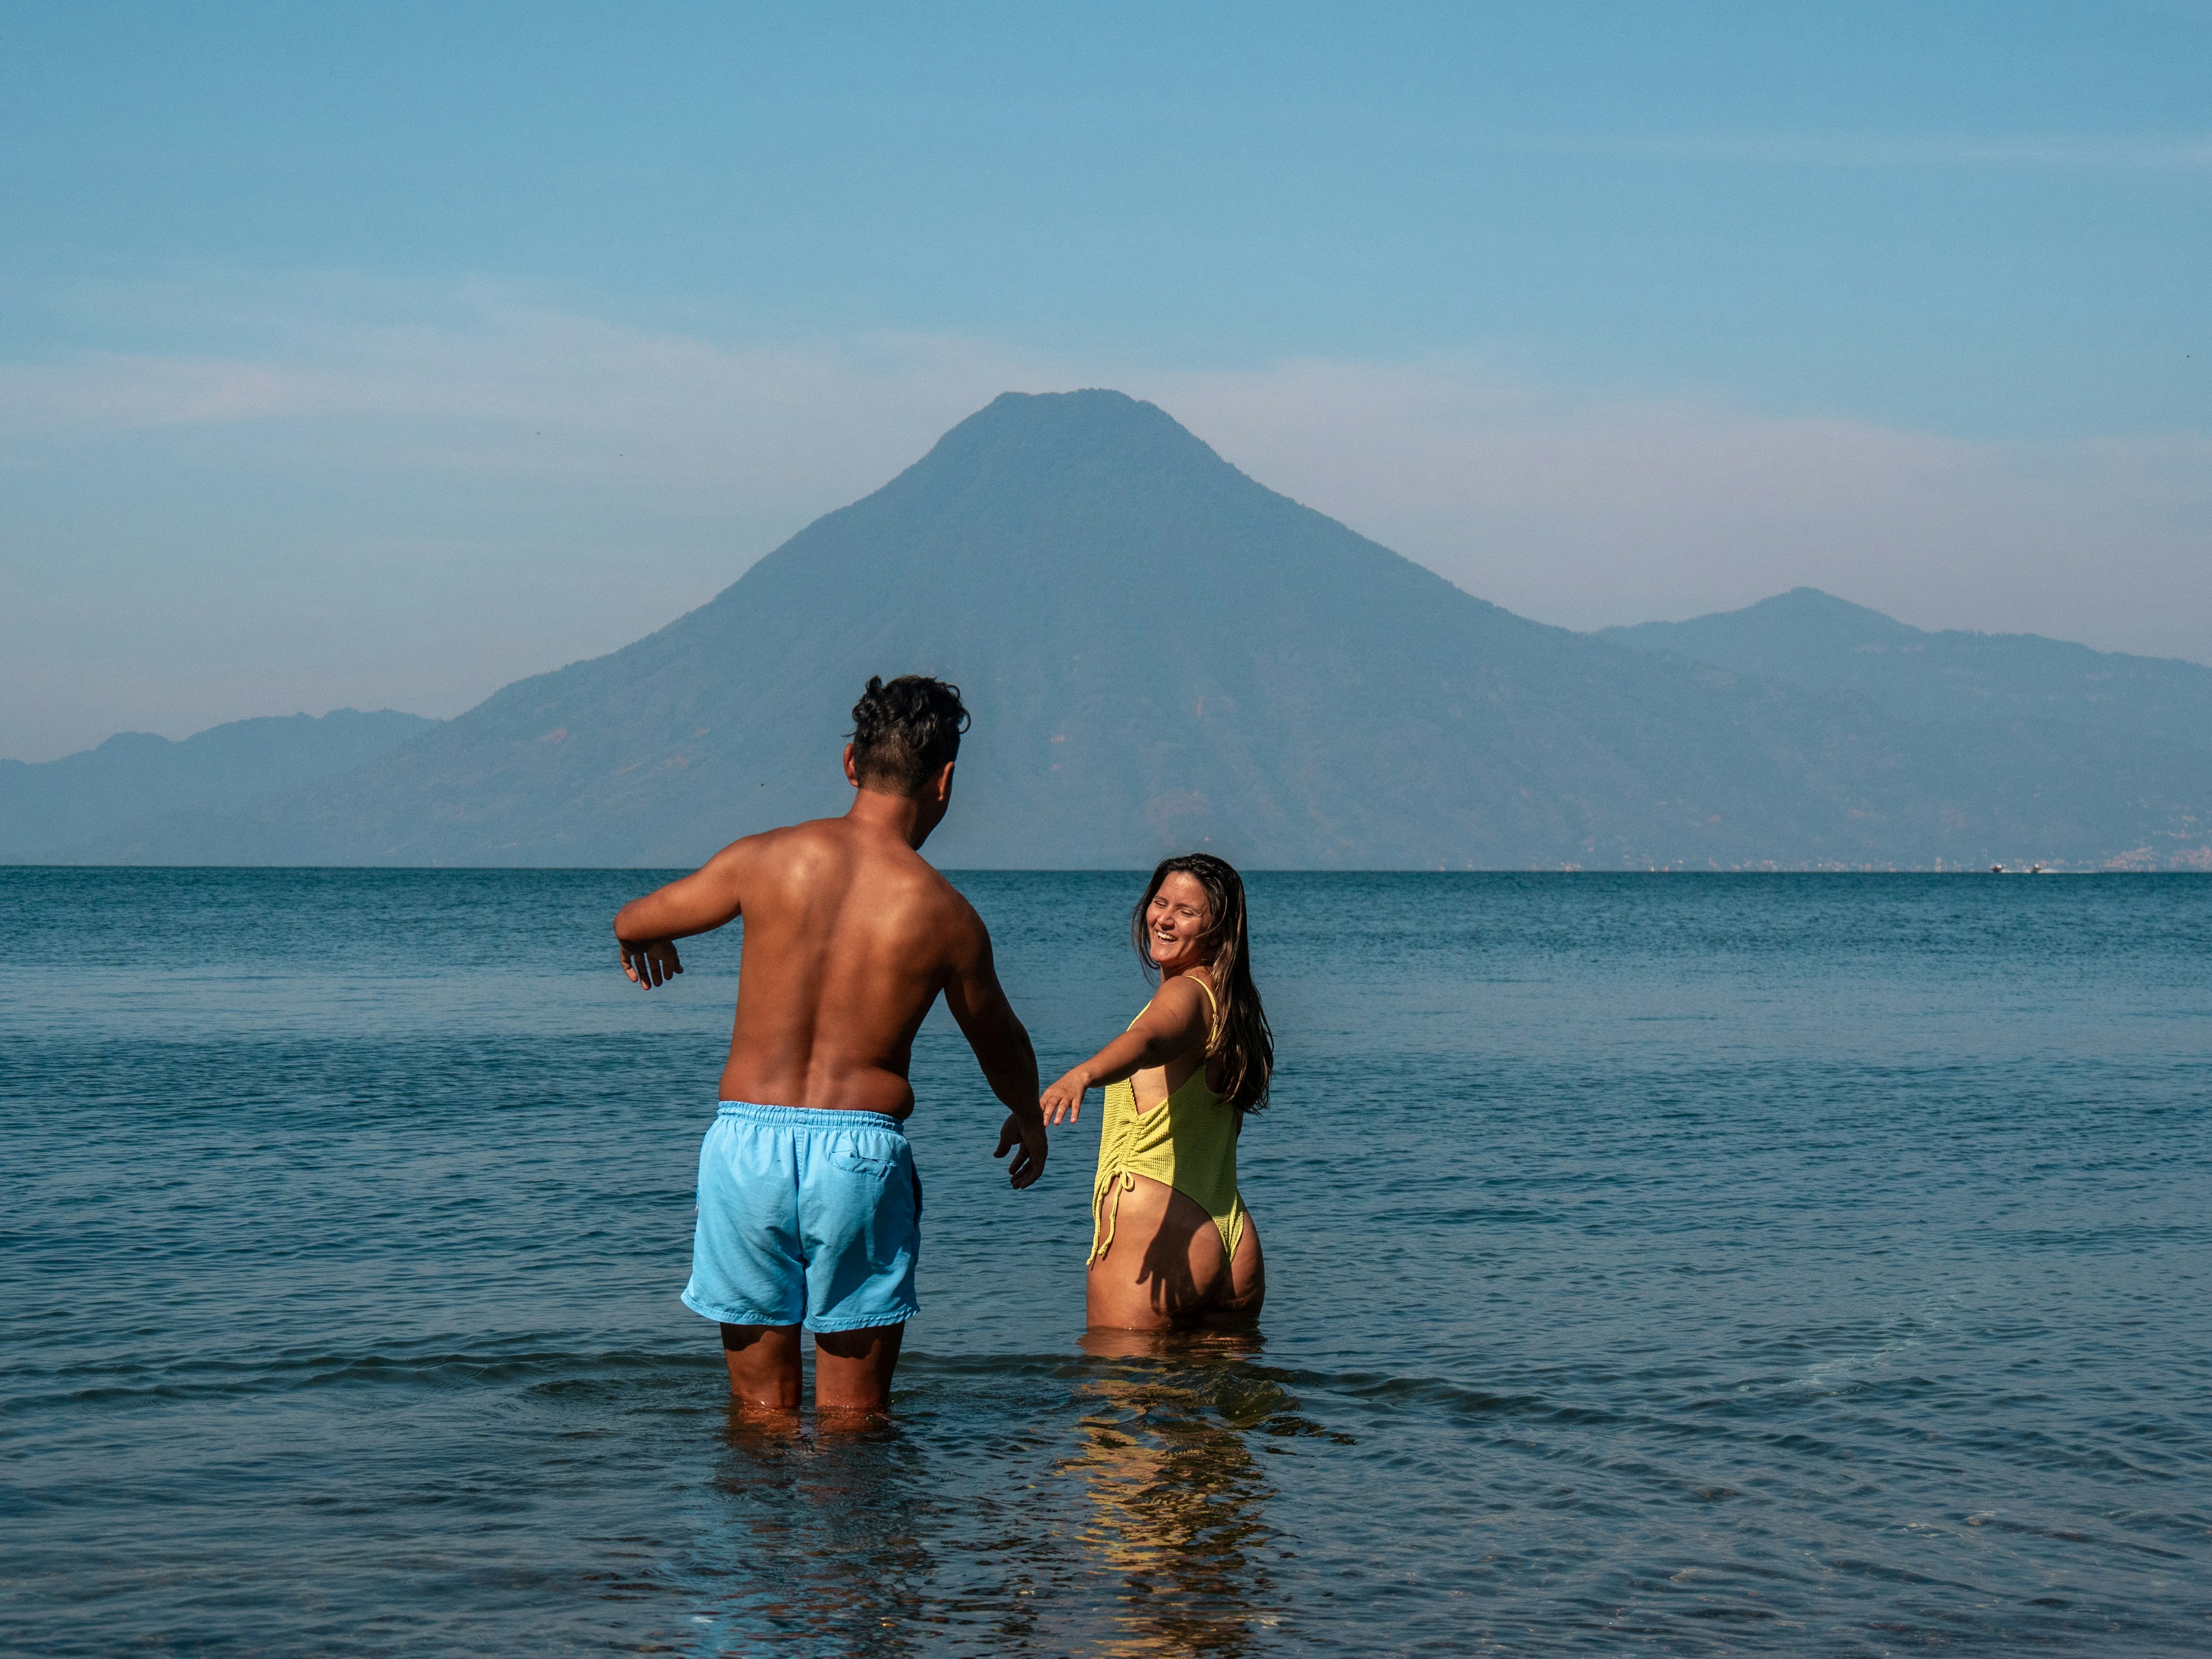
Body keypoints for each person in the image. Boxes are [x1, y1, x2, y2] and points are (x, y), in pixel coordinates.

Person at [611, 675, 1047, 1416]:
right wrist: (1027, 1114)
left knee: (760, 1415)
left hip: (747, 1145)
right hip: (859, 1157)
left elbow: (636, 915)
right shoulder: (945, 914)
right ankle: (854, 1534)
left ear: (851, 762)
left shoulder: (766, 859)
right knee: (854, 1423)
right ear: (945, 781)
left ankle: (749, 1533)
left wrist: (643, 934)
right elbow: (998, 1040)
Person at [1039, 854, 1272, 1330]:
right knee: (1215, 1399)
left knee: (1116, 1394)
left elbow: (1148, 1041)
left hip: (1160, 1232)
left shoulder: (1184, 995)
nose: (1164, 919)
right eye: (1159, 903)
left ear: (1218, 929)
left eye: (1186, 912)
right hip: (1231, 1235)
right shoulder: (1231, 1006)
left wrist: (1083, 1074)